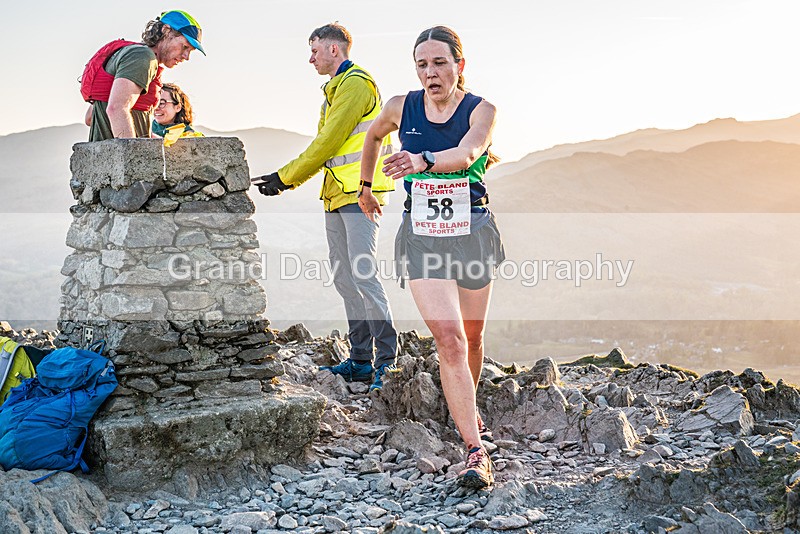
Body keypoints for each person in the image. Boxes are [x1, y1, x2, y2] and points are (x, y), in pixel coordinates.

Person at [358, 26, 504, 489]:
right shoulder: (402, 106)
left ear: (460, 65)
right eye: (422, 64)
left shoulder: (482, 109)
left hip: (472, 230)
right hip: (422, 234)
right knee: (451, 340)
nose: (430, 73)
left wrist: (421, 160)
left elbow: (468, 152)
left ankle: (470, 409)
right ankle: (475, 451)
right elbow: (374, 136)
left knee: (474, 340)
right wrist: (366, 187)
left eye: (439, 63)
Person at [252, 23, 398, 392]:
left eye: (314, 49)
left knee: (363, 276)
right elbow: (327, 143)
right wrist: (286, 177)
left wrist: (286, 177)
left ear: (335, 49)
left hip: (359, 195)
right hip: (336, 195)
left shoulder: (355, 84)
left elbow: (330, 142)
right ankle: (361, 361)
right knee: (345, 279)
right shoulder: (333, 90)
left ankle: (387, 364)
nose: (310, 57)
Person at [82, 10, 205, 141]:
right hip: (121, 159)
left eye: (190, 51)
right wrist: (132, 156)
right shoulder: (143, 57)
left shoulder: (134, 54)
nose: (186, 57)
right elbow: (117, 108)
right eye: (185, 47)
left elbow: (90, 117)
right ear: (166, 30)